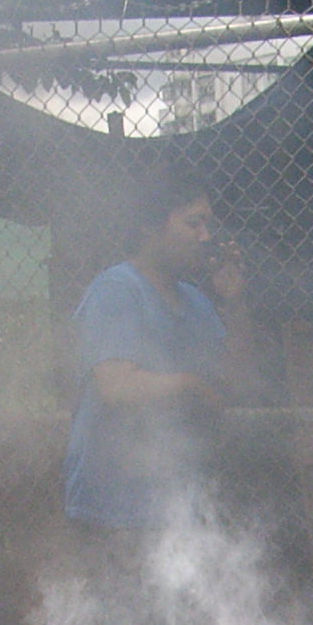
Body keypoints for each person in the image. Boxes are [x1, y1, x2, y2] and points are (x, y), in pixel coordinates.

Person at [61, 173, 245, 535]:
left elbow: (235, 378)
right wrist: (193, 386)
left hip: (177, 502)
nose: (206, 237)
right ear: (150, 227)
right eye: (194, 223)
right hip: (110, 508)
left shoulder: (195, 301)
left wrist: (235, 302)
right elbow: (116, 386)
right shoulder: (117, 289)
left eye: (208, 224)